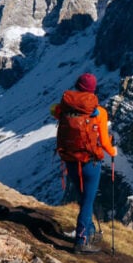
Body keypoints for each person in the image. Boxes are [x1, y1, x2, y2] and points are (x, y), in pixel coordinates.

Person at [50, 72, 116, 253]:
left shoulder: (62, 108)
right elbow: (103, 141)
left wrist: (63, 108)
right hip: (90, 162)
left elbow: (52, 111)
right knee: (88, 200)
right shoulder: (100, 112)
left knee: (82, 197)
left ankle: (90, 230)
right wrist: (113, 151)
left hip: (70, 159)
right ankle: (81, 240)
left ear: (77, 86)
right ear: (93, 90)